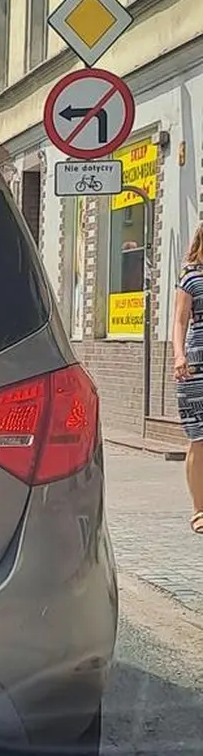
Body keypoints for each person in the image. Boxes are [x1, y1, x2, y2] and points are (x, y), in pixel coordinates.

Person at [172, 224, 203, 531]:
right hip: (197, 366)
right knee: (199, 437)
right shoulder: (191, 278)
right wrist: (179, 355)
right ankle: (199, 510)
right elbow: (180, 321)